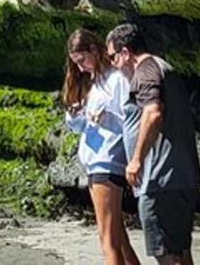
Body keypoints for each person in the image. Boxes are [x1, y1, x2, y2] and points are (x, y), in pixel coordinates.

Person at [106, 23, 200, 265]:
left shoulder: (146, 70)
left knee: (168, 256)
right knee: (180, 253)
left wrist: (136, 159)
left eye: (112, 57)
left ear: (125, 52)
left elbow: (153, 113)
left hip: (160, 179)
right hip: (179, 177)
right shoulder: (163, 67)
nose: (113, 65)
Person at [63, 28, 141, 265]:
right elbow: (79, 126)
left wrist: (104, 115)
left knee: (108, 240)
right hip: (96, 162)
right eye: (76, 63)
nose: (80, 67)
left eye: (82, 60)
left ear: (94, 50)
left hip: (107, 162)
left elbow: (128, 117)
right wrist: (80, 113)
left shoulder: (117, 79)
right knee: (119, 237)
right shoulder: (96, 82)